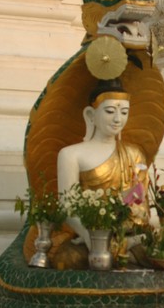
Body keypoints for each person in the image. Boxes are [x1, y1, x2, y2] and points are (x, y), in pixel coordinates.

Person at [56, 78, 149, 252]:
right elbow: (67, 208)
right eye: (110, 111)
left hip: (128, 234)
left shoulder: (134, 154)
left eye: (124, 112)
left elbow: (143, 207)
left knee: (152, 249)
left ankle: (124, 247)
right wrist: (89, 236)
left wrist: (131, 208)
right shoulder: (70, 155)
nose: (117, 119)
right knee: (69, 258)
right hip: (90, 235)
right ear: (91, 115)